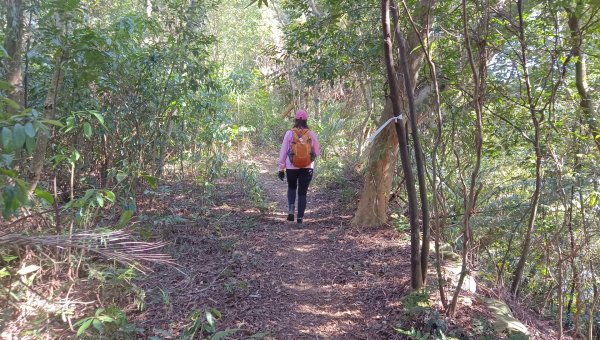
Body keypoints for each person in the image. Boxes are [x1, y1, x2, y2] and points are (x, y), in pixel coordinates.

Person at [277, 109, 320, 224]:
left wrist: (281, 168)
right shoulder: (311, 134)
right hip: (307, 167)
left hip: (291, 166)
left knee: (291, 188)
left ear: (295, 119)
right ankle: (300, 218)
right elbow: (317, 151)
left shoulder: (289, 133)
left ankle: (291, 209)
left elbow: (283, 151)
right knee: (302, 193)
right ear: (306, 120)